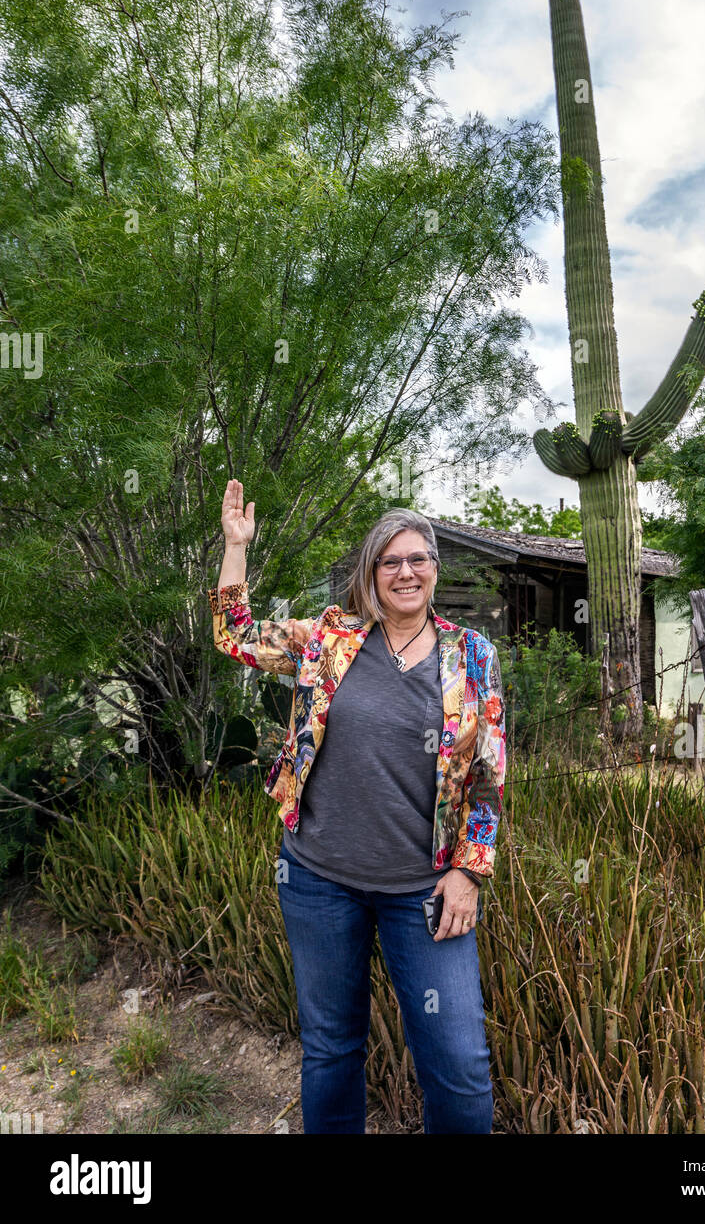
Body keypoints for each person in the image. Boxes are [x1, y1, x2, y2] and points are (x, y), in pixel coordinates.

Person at [207, 478, 507, 1134]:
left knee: (457, 1065)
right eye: (390, 560)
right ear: (371, 572)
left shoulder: (471, 656)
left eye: (418, 559)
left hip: (423, 893)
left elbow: (487, 776)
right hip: (317, 880)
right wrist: (236, 547)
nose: (405, 572)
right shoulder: (330, 638)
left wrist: (469, 871)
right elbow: (235, 636)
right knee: (331, 1050)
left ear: (435, 568)